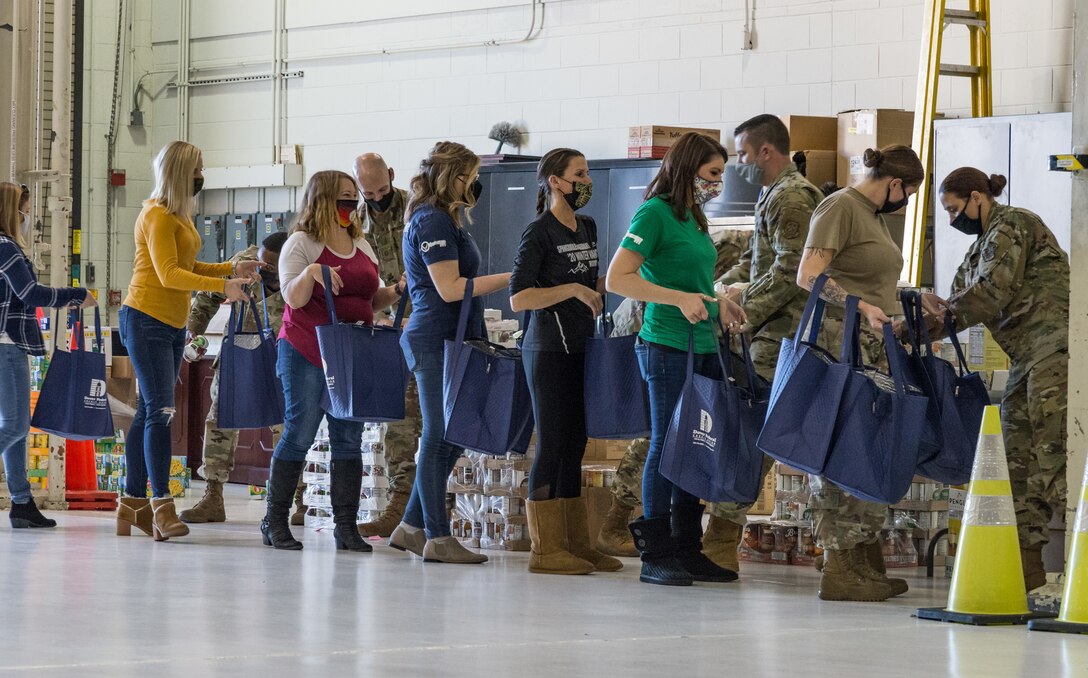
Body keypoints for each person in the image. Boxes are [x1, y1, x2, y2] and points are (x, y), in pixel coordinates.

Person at [605, 132, 747, 587]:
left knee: (695, 448)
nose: (717, 183)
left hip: (704, 346)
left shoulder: (695, 218)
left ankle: (688, 547)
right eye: (711, 173)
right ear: (687, 170)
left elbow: (696, 280)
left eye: (721, 174)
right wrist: (677, 298)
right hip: (666, 347)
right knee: (666, 445)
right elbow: (618, 278)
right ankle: (656, 553)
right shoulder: (655, 213)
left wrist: (718, 302)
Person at [924, 167, 1069, 592]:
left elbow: (991, 292)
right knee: (1016, 461)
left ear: (976, 197)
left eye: (954, 209)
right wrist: (916, 327)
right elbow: (954, 305)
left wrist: (937, 318)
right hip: (1025, 359)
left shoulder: (1012, 225)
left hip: (1055, 348)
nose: (953, 220)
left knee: (1054, 452)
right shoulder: (977, 251)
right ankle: (1029, 576)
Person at [795, 144, 924, 602]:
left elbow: (869, 275)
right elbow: (808, 277)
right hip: (842, 344)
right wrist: (862, 306)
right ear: (894, 184)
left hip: (872, 347)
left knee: (867, 446)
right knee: (838, 450)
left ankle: (863, 558)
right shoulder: (840, 207)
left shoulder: (871, 214)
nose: (904, 200)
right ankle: (839, 565)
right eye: (907, 192)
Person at [117, 141, 258, 541]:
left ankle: (131, 505)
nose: (203, 173)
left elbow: (188, 265)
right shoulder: (157, 215)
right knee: (161, 411)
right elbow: (167, 275)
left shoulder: (179, 216)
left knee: (148, 412)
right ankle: (161, 505)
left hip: (171, 324)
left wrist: (232, 266)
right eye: (198, 167)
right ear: (181, 171)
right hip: (145, 319)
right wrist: (222, 285)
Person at [263, 170, 405, 552]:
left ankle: (346, 524)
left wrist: (396, 291)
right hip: (307, 348)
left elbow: (369, 301)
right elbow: (292, 299)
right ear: (322, 199)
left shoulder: (361, 243)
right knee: (300, 432)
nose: (351, 204)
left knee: (348, 437)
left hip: (351, 353)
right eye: (344, 197)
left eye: (353, 197)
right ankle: (274, 520)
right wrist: (312, 272)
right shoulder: (301, 243)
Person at [707, 114, 825, 573]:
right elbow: (758, 264)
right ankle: (720, 537)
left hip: (784, 336)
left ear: (765, 152)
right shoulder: (773, 195)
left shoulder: (793, 197)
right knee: (752, 435)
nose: (739, 165)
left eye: (741, 155)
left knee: (755, 437)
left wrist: (740, 312)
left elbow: (789, 277)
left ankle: (723, 535)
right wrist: (719, 290)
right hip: (771, 333)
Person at [387, 141, 510, 564]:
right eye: (469, 177)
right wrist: (512, 278)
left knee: (454, 435)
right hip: (436, 338)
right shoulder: (433, 222)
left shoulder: (445, 220)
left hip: (452, 337)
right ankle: (437, 538)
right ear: (451, 176)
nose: (474, 185)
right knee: (441, 437)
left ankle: (409, 527)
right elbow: (450, 288)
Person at [595, 231, 748, 558]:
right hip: (650, 325)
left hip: (686, 332)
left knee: (681, 435)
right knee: (659, 436)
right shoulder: (734, 242)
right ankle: (621, 524)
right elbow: (684, 280)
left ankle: (682, 543)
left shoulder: (701, 224)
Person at [509, 148, 620, 576]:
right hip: (547, 349)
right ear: (555, 181)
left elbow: (593, 280)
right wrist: (573, 290)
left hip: (582, 344)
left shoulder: (588, 226)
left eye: (588, 171)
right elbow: (519, 296)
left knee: (576, 443)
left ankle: (577, 542)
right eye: (580, 174)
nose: (587, 180)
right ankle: (545, 548)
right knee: (553, 443)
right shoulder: (538, 232)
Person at [0, 182, 95, 528]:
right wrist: (75, 295)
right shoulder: (5, 247)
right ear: (12, 210)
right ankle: (22, 501)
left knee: (16, 429)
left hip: (9, 344)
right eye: (25, 208)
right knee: (14, 425)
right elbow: (30, 292)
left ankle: (22, 502)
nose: (28, 215)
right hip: (7, 345)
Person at [179, 230, 289, 524]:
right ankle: (213, 496)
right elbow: (207, 295)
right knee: (220, 420)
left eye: (275, 272)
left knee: (289, 427)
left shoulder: (301, 265)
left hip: (283, 356)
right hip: (239, 352)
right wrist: (194, 330)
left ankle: (298, 498)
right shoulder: (243, 263)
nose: (269, 277)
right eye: (264, 269)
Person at [351, 152, 423, 538]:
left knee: (413, 418)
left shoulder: (416, 210)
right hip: (381, 327)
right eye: (368, 192)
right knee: (397, 417)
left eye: (381, 189)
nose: (376, 197)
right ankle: (401, 505)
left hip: (421, 323)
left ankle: (410, 509)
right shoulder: (352, 221)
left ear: (392, 176)